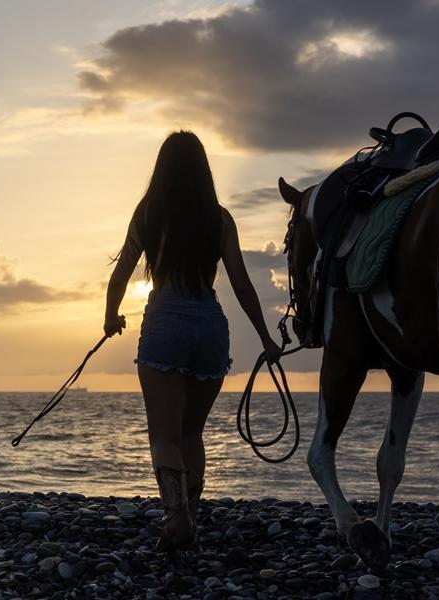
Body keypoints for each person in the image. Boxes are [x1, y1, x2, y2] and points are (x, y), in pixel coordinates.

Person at [104, 131, 282, 551]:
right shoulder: (219, 219)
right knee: (192, 434)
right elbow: (240, 282)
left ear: (162, 169)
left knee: (163, 435)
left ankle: (176, 518)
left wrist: (110, 317)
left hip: (165, 323)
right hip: (210, 327)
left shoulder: (148, 213)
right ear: (204, 171)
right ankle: (189, 519)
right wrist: (265, 338)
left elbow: (122, 271)